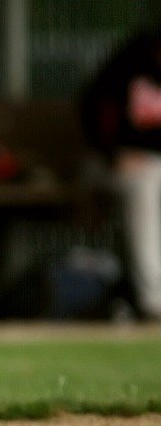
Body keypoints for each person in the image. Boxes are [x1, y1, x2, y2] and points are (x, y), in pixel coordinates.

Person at [80, 27, 161, 323]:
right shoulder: (127, 65)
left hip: (155, 166)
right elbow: (93, 115)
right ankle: (153, 300)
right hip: (110, 165)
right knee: (145, 184)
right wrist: (114, 154)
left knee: (152, 175)